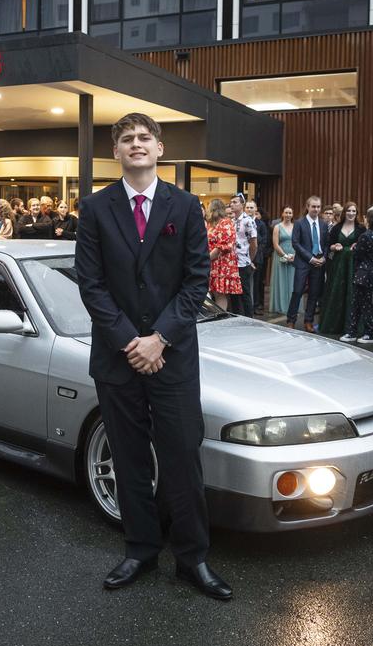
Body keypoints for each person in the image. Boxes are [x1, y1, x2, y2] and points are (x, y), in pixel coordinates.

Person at [75, 112, 231, 601]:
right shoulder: (95, 209)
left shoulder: (184, 207)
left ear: (160, 148)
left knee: (183, 455)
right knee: (128, 457)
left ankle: (192, 558)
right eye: (127, 139)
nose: (136, 144)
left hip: (173, 357)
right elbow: (92, 285)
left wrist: (159, 339)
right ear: (116, 152)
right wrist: (131, 342)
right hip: (118, 357)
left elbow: (195, 281)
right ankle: (141, 549)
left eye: (144, 137)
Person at [318, 201, 365, 336]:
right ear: (344, 212)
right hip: (338, 267)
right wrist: (334, 247)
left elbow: (365, 247)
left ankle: (352, 327)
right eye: (349, 211)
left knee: (352, 294)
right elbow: (329, 245)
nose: (351, 213)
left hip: (354, 266)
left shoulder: (361, 229)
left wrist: (358, 246)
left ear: (357, 213)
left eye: (354, 211)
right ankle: (334, 325)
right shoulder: (336, 228)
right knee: (336, 293)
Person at [340, 207, 373, 344]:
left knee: (359, 304)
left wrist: (354, 248)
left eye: (366, 217)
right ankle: (357, 332)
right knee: (364, 304)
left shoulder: (365, 235)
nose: (364, 219)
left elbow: (358, 254)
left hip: (363, 273)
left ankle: (364, 333)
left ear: (369, 220)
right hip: (371, 273)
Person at [286, 196, 330, 332]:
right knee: (298, 291)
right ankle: (291, 320)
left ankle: (308, 322)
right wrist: (310, 258)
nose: (316, 209)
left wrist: (324, 258)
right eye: (313, 206)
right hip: (303, 262)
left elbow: (327, 243)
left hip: (319, 263)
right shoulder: (299, 223)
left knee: (314, 293)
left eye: (318, 207)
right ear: (307, 207)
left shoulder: (323, 224)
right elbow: (295, 243)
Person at [206, 198, 240, 310]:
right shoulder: (212, 224)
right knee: (215, 293)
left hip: (222, 264)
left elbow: (222, 247)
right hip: (213, 263)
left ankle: (220, 319)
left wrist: (206, 259)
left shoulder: (225, 223)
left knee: (220, 294)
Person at [228, 194, 257, 318]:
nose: (232, 205)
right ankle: (238, 318)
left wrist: (250, 259)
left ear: (242, 204)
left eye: (235, 202)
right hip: (232, 262)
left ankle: (249, 319)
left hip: (243, 262)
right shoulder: (232, 221)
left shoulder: (248, 221)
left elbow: (254, 243)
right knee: (234, 294)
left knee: (245, 293)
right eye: (231, 202)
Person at [269, 206, 295, 315]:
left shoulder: (295, 226)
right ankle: (280, 305)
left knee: (293, 281)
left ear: (292, 215)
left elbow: (299, 242)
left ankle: (292, 305)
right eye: (286, 212)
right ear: (282, 214)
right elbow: (275, 244)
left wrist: (294, 255)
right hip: (280, 255)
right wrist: (285, 255)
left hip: (294, 256)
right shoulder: (277, 227)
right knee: (281, 280)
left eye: (290, 213)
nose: (288, 215)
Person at [245, 200, 269, 314]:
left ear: (256, 210)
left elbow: (263, 242)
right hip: (243, 258)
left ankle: (254, 306)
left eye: (251, 207)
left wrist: (254, 256)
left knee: (256, 283)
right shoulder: (242, 222)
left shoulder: (261, 224)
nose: (249, 209)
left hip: (257, 257)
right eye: (247, 207)